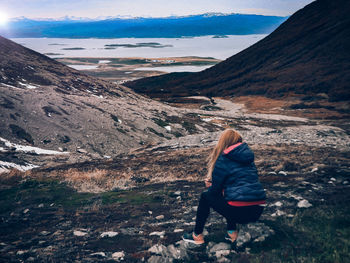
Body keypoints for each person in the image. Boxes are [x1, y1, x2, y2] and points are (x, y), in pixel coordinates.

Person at [182, 128, 266, 245]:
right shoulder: (249, 159)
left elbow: (215, 192)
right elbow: (241, 185)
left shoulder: (224, 159)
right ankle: (232, 232)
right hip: (257, 210)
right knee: (231, 196)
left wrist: (211, 185)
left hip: (239, 212)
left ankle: (197, 235)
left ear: (224, 142)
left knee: (206, 196)